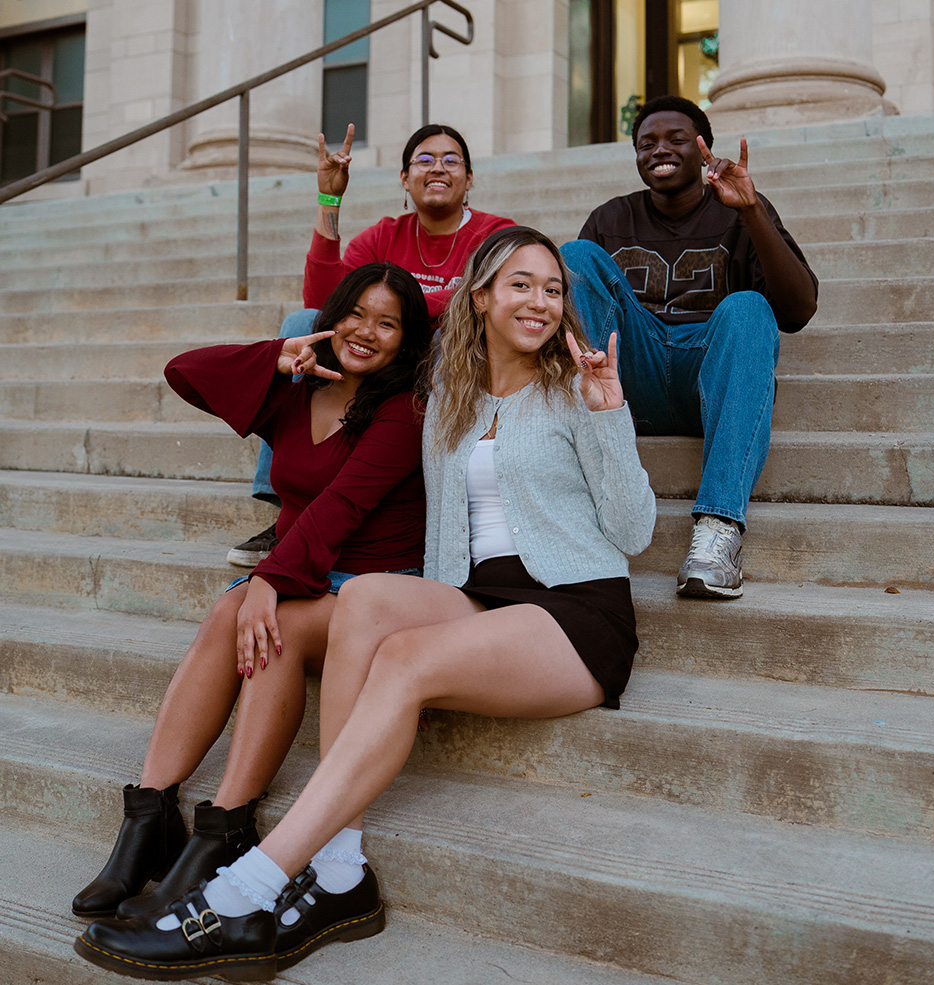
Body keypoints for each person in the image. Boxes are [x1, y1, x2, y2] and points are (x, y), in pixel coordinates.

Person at [74, 226, 657, 981]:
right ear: (480, 298)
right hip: (477, 597)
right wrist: (280, 355)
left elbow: (634, 531)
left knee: (405, 657)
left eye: (552, 288)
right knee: (369, 601)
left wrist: (609, 413)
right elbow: (362, 343)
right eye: (520, 284)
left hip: (576, 610)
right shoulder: (445, 393)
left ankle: (247, 887)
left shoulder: (579, 387)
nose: (539, 300)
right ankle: (344, 872)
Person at [71, 263, 432, 924]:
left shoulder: (402, 409)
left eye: (388, 323)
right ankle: (150, 814)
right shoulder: (295, 389)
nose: (366, 332)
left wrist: (266, 580)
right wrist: (275, 354)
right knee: (226, 609)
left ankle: (228, 819)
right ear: (333, 315)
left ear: (405, 341)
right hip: (301, 572)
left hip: (372, 586)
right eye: (356, 313)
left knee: (266, 619)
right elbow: (186, 372)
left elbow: (342, 509)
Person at [560, 95, 818, 599]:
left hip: (709, 371)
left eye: (677, 139)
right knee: (574, 256)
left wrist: (753, 212)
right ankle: (583, 485)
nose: (660, 149)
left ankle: (718, 533)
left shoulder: (741, 211)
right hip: (632, 377)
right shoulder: (611, 218)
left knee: (747, 308)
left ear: (705, 150)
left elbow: (798, 310)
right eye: (646, 143)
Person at [229, 122, 515, 567]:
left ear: (469, 178)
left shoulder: (496, 234)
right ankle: (285, 506)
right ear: (404, 179)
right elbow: (325, 304)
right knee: (302, 323)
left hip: (443, 367)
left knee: (447, 334)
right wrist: (330, 198)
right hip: (380, 361)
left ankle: (437, 502)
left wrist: (396, 311)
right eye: (424, 159)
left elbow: (482, 298)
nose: (437, 167)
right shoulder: (385, 234)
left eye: (450, 159)